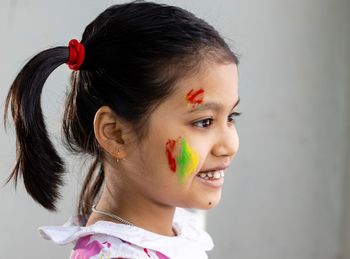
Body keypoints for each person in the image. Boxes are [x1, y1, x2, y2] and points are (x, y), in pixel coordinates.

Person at [3, 1, 240, 258]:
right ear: (115, 133)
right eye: (203, 122)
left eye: (231, 116)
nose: (230, 145)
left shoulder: (176, 227)